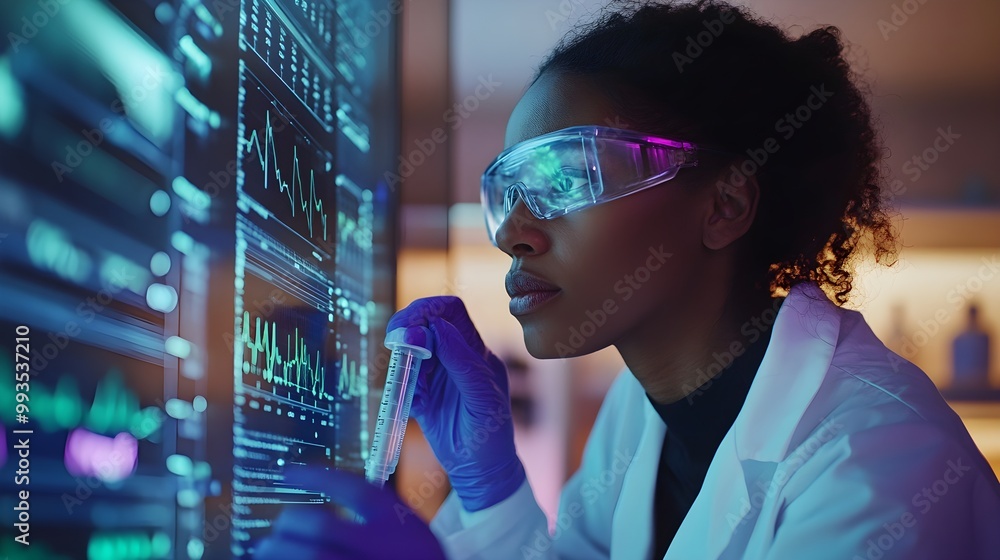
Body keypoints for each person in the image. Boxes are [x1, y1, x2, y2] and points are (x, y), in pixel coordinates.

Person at [254, 1, 1000, 558]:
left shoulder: (880, 466)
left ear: (724, 205)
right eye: (506, 190)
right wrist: (489, 485)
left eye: (565, 177)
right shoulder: (639, 417)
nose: (515, 231)